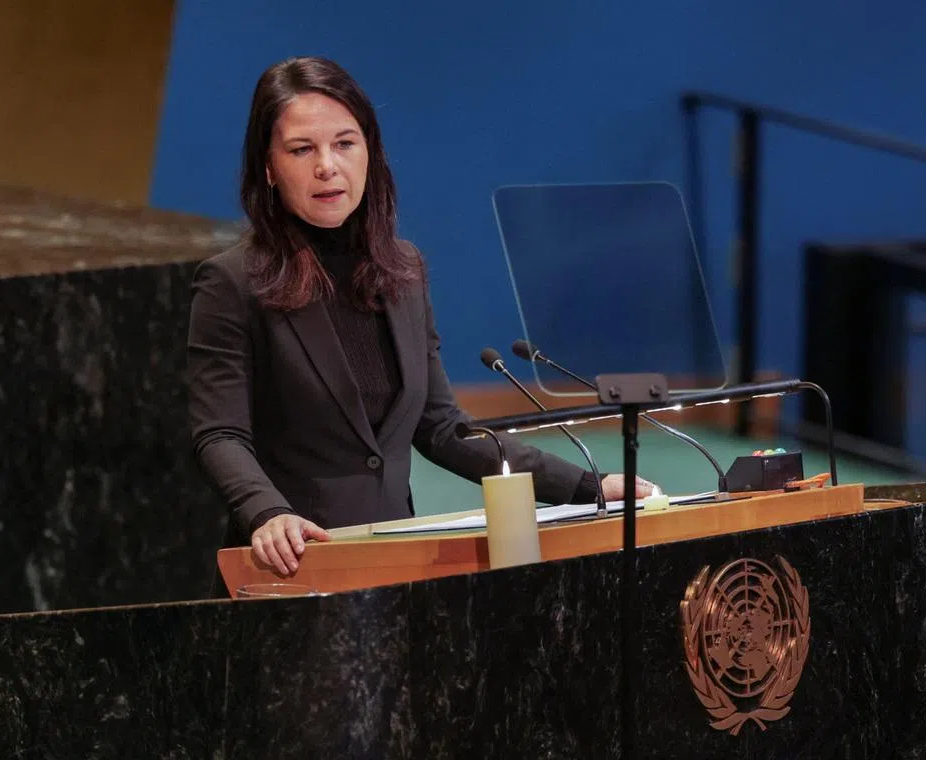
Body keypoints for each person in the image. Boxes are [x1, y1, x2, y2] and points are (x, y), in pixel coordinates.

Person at [187, 56, 654, 581]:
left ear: (370, 153)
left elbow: (443, 429)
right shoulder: (232, 282)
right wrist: (266, 513)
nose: (327, 166)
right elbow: (220, 433)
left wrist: (588, 484)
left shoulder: (401, 270)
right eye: (302, 149)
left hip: (396, 560)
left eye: (345, 143)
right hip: (294, 565)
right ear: (268, 167)